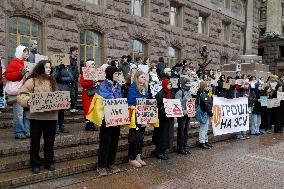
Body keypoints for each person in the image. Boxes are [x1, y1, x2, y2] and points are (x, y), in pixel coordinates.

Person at [17, 60, 57, 174]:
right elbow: (21, 95)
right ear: (41, 68)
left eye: (50, 67)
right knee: (35, 142)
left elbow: (57, 97)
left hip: (51, 117)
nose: (49, 69)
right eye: (47, 67)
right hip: (36, 118)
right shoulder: (32, 81)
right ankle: (35, 163)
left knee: (50, 141)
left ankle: (49, 161)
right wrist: (27, 100)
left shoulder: (52, 81)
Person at [96, 66, 121, 176]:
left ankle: (111, 163)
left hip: (117, 117)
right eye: (115, 74)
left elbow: (120, 97)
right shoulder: (103, 85)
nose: (117, 76)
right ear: (110, 74)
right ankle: (101, 165)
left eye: (118, 74)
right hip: (106, 118)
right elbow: (104, 98)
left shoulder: (118, 86)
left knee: (114, 142)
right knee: (105, 142)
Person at [3, 45, 30, 139]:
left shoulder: (27, 63)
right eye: (24, 52)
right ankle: (19, 132)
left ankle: (26, 131)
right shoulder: (14, 63)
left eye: (27, 52)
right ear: (20, 52)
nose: (26, 54)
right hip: (17, 91)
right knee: (19, 113)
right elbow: (7, 75)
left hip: (26, 90)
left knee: (26, 112)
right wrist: (20, 72)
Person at [127, 71, 148, 167]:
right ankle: (132, 157)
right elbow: (131, 101)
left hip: (143, 115)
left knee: (141, 137)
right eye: (142, 77)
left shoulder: (145, 89)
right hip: (135, 116)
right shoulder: (133, 88)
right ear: (137, 78)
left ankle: (138, 156)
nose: (144, 79)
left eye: (145, 77)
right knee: (134, 137)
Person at [152, 79, 174, 160]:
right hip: (162, 119)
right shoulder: (160, 94)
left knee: (167, 135)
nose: (170, 86)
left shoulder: (170, 93)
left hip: (169, 118)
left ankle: (163, 151)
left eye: (171, 85)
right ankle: (158, 151)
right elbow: (156, 107)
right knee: (161, 135)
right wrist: (163, 113)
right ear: (164, 85)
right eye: (169, 84)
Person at [52, 63, 73, 134]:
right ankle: (56, 127)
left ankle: (61, 126)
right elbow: (53, 77)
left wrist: (61, 79)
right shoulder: (55, 68)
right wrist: (58, 69)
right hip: (57, 91)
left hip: (65, 91)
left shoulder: (67, 68)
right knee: (56, 110)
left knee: (62, 111)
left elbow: (71, 78)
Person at [79, 60, 98, 131]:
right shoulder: (84, 74)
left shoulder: (96, 73)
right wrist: (92, 82)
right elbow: (83, 83)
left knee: (93, 109)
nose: (93, 66)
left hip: (94, 94)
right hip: (87, 94)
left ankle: (92, 124)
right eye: (92, 65)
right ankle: (88, 125)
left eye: (94, 64)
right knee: (88, 110)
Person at [175, 77, 192, 155]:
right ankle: (180, 147)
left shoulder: (189, 92)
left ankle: (185, 146)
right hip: (182, 115)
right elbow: (178, 103)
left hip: (188, 114)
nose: (189, 85)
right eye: (187, 83)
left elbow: (191, 102)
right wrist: (183, 110)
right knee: (181, 131)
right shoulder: (179, 92)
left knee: (186, 131)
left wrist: (191, 109)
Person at [196, 81, 213, 149]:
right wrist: (210, 113)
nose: (208, 87)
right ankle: (202, 142)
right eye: (206, 86)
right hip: (204, 113)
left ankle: (205, 141)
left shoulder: (205, 93)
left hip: (205, 113)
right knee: (203, 128)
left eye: (208, 86)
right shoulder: (203, 94)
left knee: (205, 128)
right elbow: (206, 105)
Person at [69, 46, 79, 113]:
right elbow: (69, 71)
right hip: (71, 80)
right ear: (72, 52)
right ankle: (72, 107)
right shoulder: (69, 60)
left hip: (75, 80)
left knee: (75, 93)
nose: (77, 53)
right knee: (72, 94)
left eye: (77, 51)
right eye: (76, 51)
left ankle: (74, 107)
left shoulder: (75, 60)